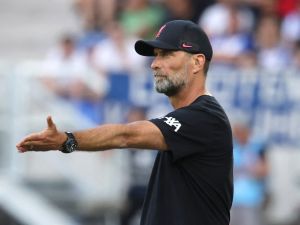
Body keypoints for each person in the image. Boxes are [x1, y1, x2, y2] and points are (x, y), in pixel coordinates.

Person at [16, 20, 233, 225]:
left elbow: (126, 136)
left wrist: (67, 141)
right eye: (156, 55)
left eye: (166, 55)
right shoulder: (194, 119)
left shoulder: (206, 118)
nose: (155, 64)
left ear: (197, 62)